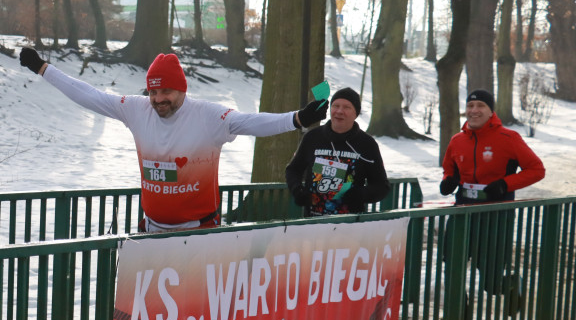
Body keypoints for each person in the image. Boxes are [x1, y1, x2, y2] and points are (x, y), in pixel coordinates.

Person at [19, 48, 329, 233]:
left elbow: (251, 122)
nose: (158, 99)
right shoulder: (136, 110)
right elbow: (89, 95)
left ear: (181, 90)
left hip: (198, 233)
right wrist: (43, 69)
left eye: (165, 91)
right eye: (153, 92)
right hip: (152, 231)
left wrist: (298, 119)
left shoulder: (208, 116)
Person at [438, 89, 546, 320]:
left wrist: (505, 184)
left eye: (480, 106)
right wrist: (448, 181)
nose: (474, 110)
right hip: (462, 214)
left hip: (496, 215)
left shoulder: (508, 138)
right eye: (470, 105)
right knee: (452, 271)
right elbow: (449, 168)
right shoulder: (457, 140)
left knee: (490, 281)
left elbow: (536, 169)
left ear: (490, 111)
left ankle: (509, 283)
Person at [285, 86, 390, 216]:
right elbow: (293, 170)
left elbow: (381, 186)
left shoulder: (367, 144)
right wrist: (298, 191)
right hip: (313, 222)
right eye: (336, 106)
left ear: (355, 113)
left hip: (349, 224)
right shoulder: (312, 137)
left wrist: (360, 194)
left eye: (346, 107)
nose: (339, 111)